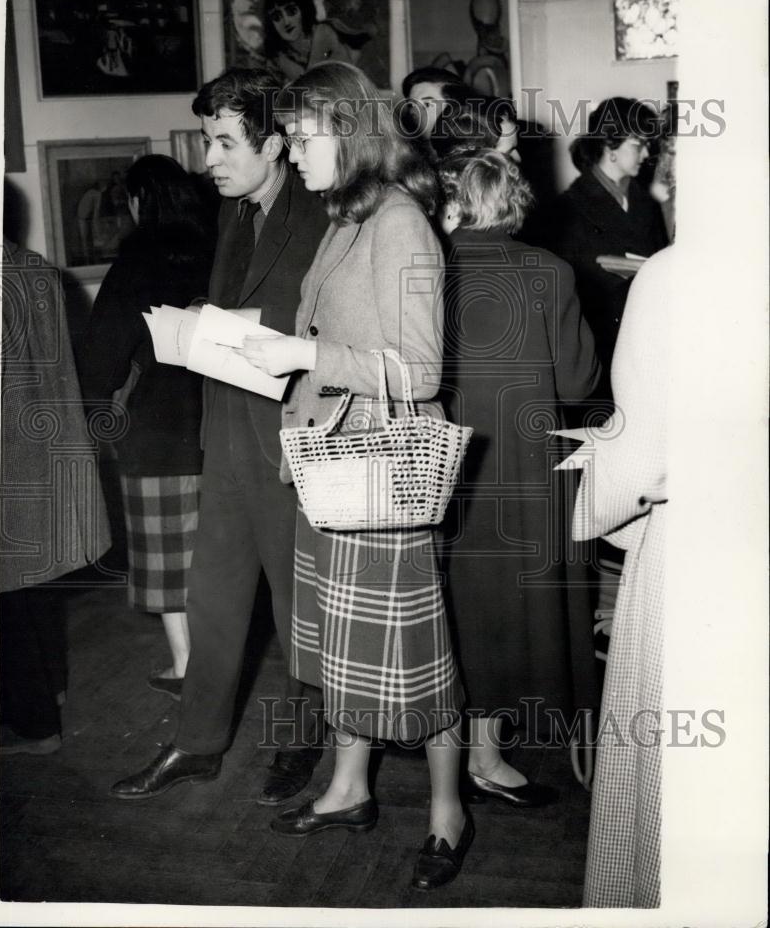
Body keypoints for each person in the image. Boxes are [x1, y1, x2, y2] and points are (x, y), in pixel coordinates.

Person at [241, 62, 471, 891]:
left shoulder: (402, 223)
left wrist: (306, 355)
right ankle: (347, 789)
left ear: (351, 132)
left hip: (383, 470)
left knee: (416, 654)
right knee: (346, 651)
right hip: (335, 466)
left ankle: (448, 812)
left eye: (304, 138)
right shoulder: (348, 217)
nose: (293, 154)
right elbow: (328, 335)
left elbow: (421, 371)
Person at [110, 68, 329, 806]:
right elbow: (243, 304)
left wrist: (230, 327)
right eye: (207, 141)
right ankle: (197, 742)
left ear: (274, 143)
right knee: (212, 598)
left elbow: (329, 327)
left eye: (225, 142)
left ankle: (302, 742)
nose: (209, 158)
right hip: (228, 434)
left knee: (300, 608)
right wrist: (199, 317)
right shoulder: (230, 214)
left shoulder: (325, 213)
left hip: (290, 439)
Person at [435, 149, 601, 800]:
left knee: (456, 606)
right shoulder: (549, 270)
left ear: (449, 204)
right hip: (526, 472)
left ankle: (448, 760)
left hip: (445, 465)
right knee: (513, 610)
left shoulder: (424, 272)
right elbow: (579, 380)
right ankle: (488, 754)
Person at [556, 247, 671, 907]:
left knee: (654, 767)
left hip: (689, 541)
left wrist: (599, 466)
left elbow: (642, 460)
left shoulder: (673, 276)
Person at [78, 155, 214, 695]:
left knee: (167, 558)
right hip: (222, 426)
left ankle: (187, 665)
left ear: (139, 201)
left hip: (157, 434)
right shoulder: (215, 256)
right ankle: (220, 658)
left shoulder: (134, 266)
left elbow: (99, 362)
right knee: (216, 553)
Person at [0, 221, 112, 754]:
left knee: (5, 600)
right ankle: (53, 693)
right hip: (42, 454)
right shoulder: (36, 269)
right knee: (36, 587)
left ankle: (33, 725)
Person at [546, 97, 669, 374]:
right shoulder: (569, 208)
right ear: (609, 146)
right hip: (603, 349)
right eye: (638, 145)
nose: (647, 154)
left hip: (649, 338)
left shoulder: (646, 203)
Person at [262, 0, 371, 83]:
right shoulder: (279, 53)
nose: (286, 21)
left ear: (304, 9)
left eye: (291, 11)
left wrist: (283, 63)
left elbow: (311, 84)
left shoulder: (323, 33)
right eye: (276, 17)